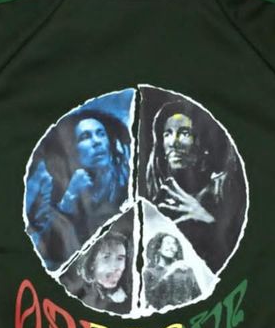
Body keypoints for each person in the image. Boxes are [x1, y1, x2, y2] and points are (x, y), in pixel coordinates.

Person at [143, 97, 246, 272]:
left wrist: (206, 219)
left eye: (185, 133)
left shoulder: (225, 187)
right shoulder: (159, 193)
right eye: (167, 134)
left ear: (204, 144)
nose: (173, 142)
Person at [25, 106, 131, 271]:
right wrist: (69, 199)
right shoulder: (53, 186)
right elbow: (48, 252)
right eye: (85, 137)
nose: (96, 142)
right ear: (73, 150)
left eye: (101, 134)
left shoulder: (125, 178)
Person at [61, 229, 132, 314]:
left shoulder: (127, 300)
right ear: (92, 263)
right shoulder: (72, 288)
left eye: (120, 258)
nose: (115, 266)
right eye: (106, 257)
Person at [143, 232, 201, 310]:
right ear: (159, 248)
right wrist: (171, 271)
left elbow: (198, 297)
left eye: (174, 244)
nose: (171, 247)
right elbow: (150, 300)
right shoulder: (149, 272)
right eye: (168, 243)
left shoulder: (186, 271)